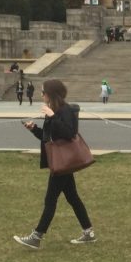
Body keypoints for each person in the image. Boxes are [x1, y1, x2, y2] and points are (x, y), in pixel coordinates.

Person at [14, 79, 96, 249]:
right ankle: (88, 232)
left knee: (50, 200)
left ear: (51, 94)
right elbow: (49, 138)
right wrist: (33, 129)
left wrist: (53, 116)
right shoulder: (53, 110)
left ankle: (36, 237)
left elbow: (69, 133)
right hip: (61, 161)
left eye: (43, 92)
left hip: (63, 161)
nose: (41, 95)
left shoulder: (66, 110)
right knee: (72, 197)